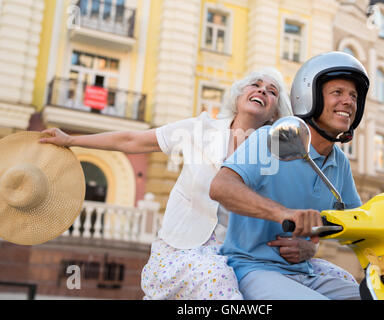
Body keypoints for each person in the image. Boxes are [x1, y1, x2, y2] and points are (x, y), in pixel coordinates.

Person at [40, 67, 322, 300]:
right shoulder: (198, 130)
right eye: (255, 85)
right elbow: (132, 140)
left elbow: (303, 209)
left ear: (275, 114)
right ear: (238, 96)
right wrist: (72, 140)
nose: (262, 90)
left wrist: (311, 247)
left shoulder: (279, 154)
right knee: (216, 279)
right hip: (183, 249)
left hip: (242, 256)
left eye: (272, 91)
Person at [209, 51, 370, 300]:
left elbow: (357, 224)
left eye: (353, 96)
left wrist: (312, 243)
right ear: (309, 97)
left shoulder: (340, 164)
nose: (348, 102)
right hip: (252, 268)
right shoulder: (272, 139)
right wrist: (283, 214)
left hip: (303, 273)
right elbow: (221, 186)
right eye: (337, 93)